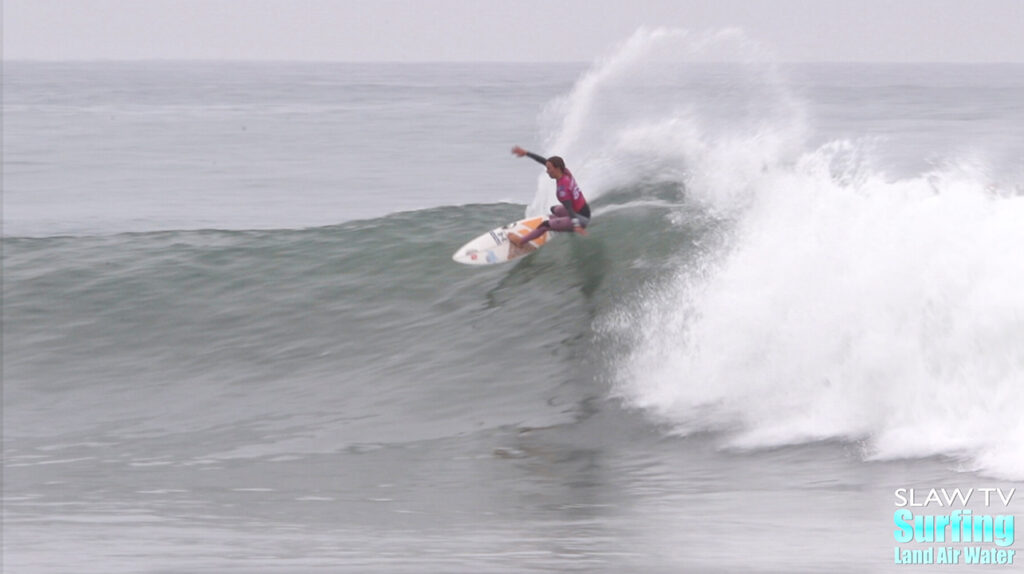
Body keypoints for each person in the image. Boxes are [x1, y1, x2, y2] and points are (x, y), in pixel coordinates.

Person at [508, 146, 591, 246]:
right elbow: (544, 161)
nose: (547, 171)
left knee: (545, 225)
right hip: (583, 211)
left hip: (579, 218)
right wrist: (526, 153)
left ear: (557, 168)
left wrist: (577, 226)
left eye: (549, 169)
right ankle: (560, 224)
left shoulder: (562, 189)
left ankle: (520, 242)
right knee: (553, 209)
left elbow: (569, 209)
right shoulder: (565, 172)